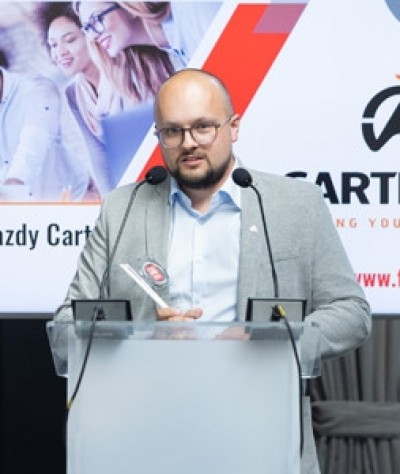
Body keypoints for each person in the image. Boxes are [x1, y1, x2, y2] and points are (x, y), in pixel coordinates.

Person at [54, 68, 372, 473]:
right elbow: (65, 328)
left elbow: (351, 313)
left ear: (233, 127)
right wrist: (143, 334)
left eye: (203, 127)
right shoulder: (122, 209)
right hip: (145, 437)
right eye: (173, 131)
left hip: (261, 435)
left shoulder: (295, 205)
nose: (189, 143)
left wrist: (275, 337)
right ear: (158, 137)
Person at [74, 2, 220, 109]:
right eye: (88, 28)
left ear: (127, 6)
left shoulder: (193, 10)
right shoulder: (173, 49)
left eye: (96, 20)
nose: (93, 36)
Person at [33, 2, 111, 198]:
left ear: (91, 34)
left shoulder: (121, 72)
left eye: (69, 40)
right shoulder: (73, 93)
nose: (60, 52)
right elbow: (98, 156)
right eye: (53, 45)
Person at [0, 58, 88, 201]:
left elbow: (34, 141)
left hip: (74, 200)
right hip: (23, 212)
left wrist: (12, 187)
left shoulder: (36, 88)